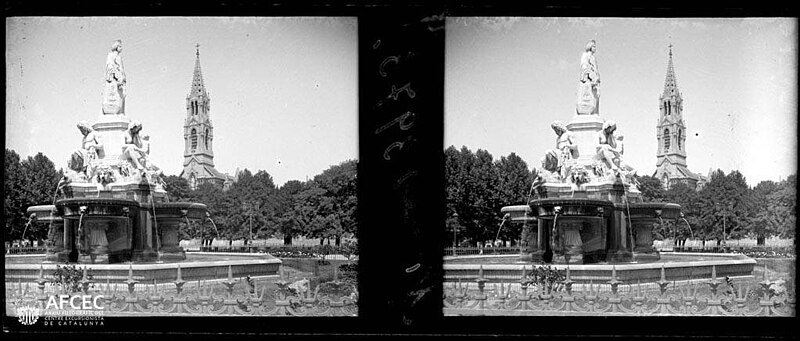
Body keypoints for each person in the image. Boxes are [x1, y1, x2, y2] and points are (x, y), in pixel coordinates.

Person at [577, 40, 600, 115]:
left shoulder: (593, 57)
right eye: (593, 46)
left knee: (596, 98)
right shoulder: (585, 55)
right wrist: (590, 75)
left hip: (595, 82)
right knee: (588, 99)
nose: (595, 48)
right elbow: (584, 66)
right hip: (588, 81)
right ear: (590, 47)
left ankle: (595, 113)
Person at [105, 40, 126, 114]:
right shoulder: (111, 55)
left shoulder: (119, 57)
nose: (121, 48)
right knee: (116, 99)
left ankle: (121, 112)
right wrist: (117, 77)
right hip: (115, 81)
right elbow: (110, 67)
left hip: (121, 81)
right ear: (116, 47)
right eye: (120, 46)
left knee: (122, 98)